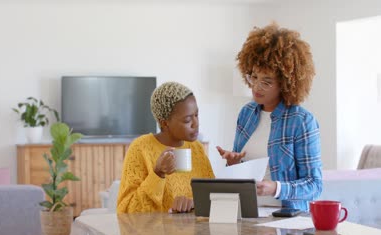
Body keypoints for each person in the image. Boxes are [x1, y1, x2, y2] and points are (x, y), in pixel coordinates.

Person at [217, 23, 322, 211]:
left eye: (266, 82)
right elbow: (244, 171)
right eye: (254, 77)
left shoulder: (302, 121)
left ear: (286, 83)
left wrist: (276, 188)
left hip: (286, 218)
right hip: (246, 212)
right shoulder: (247, 114)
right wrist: (234, 162)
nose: (256, 87)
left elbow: (315, 185)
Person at [117, 81, 214, 213]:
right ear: (165, 123)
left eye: (196, 115)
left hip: (194, 232)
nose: (196, 124)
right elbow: (126, 211)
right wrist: (158, 173)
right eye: (187, 120)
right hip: (156, 233)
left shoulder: (196, 148)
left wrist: (193, 203)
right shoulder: (141, 148)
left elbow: (212, 198)